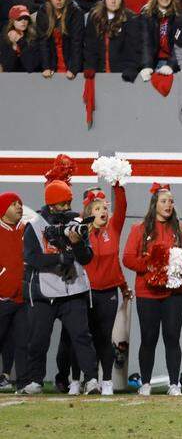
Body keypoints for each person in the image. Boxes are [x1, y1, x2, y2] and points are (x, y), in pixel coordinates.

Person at [18, 158, 99, 395]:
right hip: (44, 291)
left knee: (82, 337)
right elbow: (32, 258)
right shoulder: (34, 226)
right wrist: (60, 260)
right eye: (62, 204)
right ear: (51, 205)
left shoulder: (77, 223)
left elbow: (86, 258)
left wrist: (76, 245)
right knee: (38, 339)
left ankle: (92, 379)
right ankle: (35, 381)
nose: (67, 208)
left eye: (69, 203)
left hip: (73, 290)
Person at [121, 183, 182, 396]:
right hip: (148, 293)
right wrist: (151, 266)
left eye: (171, 201)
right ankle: (145, 383)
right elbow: (127, 258)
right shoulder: (139, 229)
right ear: (155, 204)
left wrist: (177, 266)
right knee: (148, 338)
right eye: (164, 201)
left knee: (172, 337)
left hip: (174, 294)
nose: (168, 205)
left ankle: (175, 384)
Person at [0, 192, 28, 391]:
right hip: (1, 297)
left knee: (22, 342)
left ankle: (23, 382)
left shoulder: (28, 230)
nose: (19, 207)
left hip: (24, 298)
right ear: (2, 210)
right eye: (13, 204)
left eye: (20, 203)